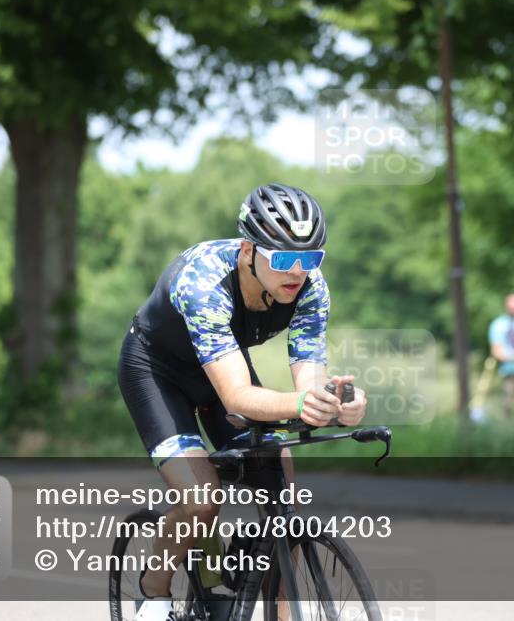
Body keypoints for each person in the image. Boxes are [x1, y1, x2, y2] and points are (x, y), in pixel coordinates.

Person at [117, 183, 368, 621]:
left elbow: (308, 375)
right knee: (201, 499)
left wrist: (334, 402)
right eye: (285, 258)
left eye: (311, 258)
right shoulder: (203, 279)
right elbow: (236, 396)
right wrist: (303, 402)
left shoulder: (310, 287)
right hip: (159, 371)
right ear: (249, 250)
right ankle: (153, 590)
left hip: (222, 365)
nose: (298, 271)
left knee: (282, 487)